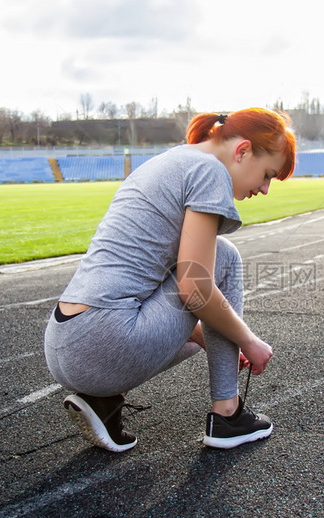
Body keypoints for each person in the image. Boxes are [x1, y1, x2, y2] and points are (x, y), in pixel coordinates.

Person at [44, 108, 296, 452]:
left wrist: (216, 338)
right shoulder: (210, 172)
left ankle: (105, 403)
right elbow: (194, 289)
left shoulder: (173, 160)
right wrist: (249, 341)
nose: (265, 189)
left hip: (65, 341)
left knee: (210, 308)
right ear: (243, 151)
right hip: (104, 342)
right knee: (224, 257)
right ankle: (228, 414)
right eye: (267, 175)